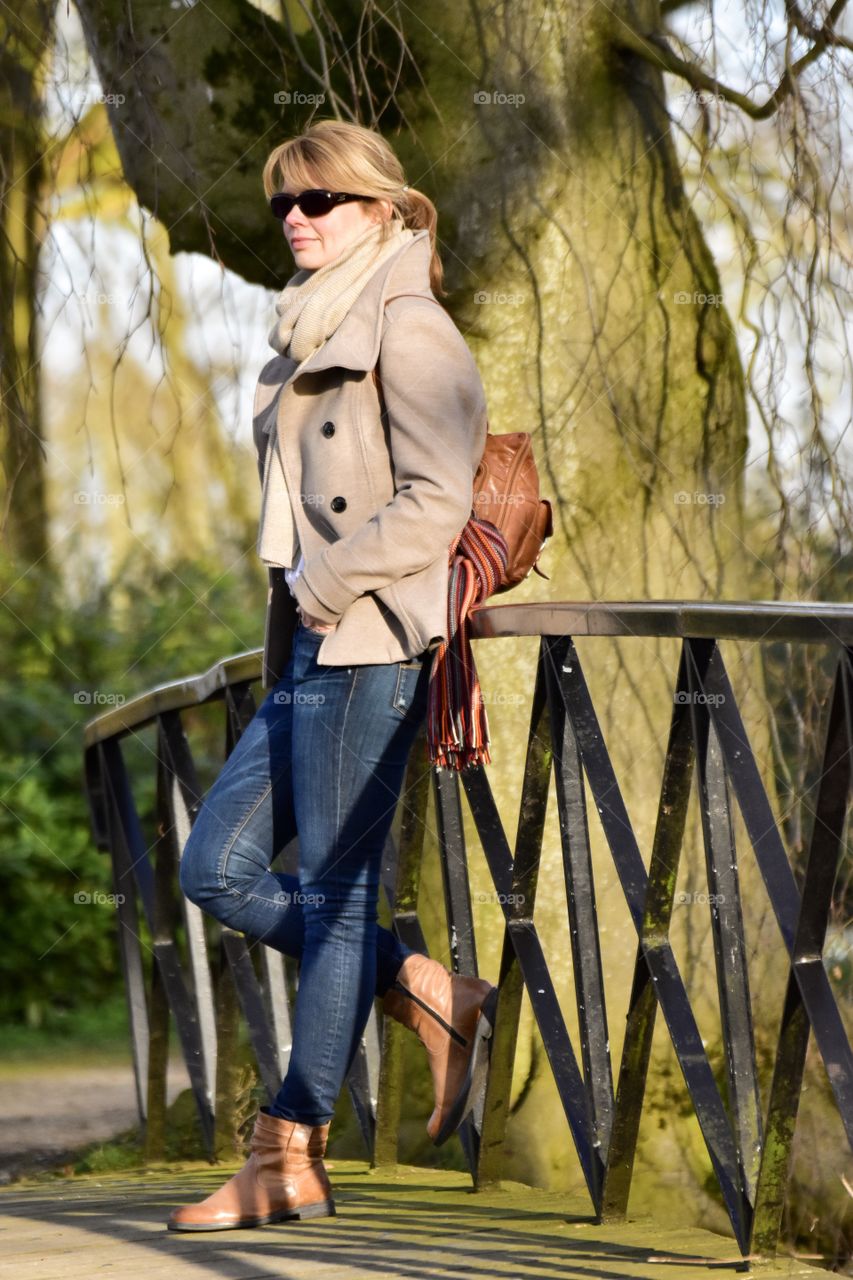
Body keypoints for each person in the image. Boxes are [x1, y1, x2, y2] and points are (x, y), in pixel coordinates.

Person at [168, 119, 497, 1233]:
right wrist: (302, 603)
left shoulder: (409, 328)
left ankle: (285, 1151)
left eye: (320, 199)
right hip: (308, 642)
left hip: (370, 640)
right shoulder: (307, 330)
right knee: (214, 862)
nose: (297, 220)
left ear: (383, 208)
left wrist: (331, 579)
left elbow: (438, 502)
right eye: (283, 206)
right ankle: (421, 982)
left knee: (336, 893)